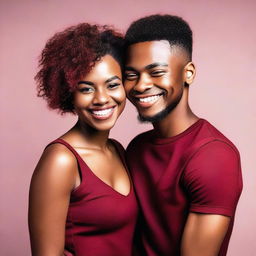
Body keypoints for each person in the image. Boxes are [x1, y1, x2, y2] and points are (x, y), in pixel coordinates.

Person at [124, 15, 242, 256]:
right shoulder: (136, 148)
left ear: (188, 73)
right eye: (131, 74)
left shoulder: (213, 156)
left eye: (156, 71)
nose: (140, 85)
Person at [28, 23, 138, 256]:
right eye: (86, 89)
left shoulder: (118, 150)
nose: (102, 98)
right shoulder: (61, 160)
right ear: (69, 94)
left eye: (112, 85)